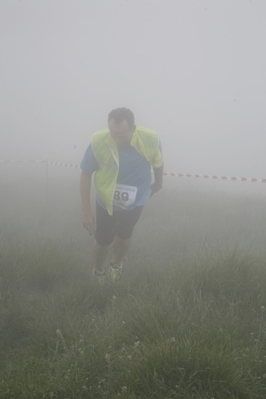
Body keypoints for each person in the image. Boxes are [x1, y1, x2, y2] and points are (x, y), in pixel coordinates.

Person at [80, 108, 163, 282]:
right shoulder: (98, 141)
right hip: (105, 200)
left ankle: (116, 263)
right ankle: (98, 269)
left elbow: (158, 162)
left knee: (125, 238)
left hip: (135, 200)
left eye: (122, 136)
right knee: (102, 241)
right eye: (113, 135)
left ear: (133, 129)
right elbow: (86, 173)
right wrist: (86, 212)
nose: (117, 140)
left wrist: (159, 183)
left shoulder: (150, 139)